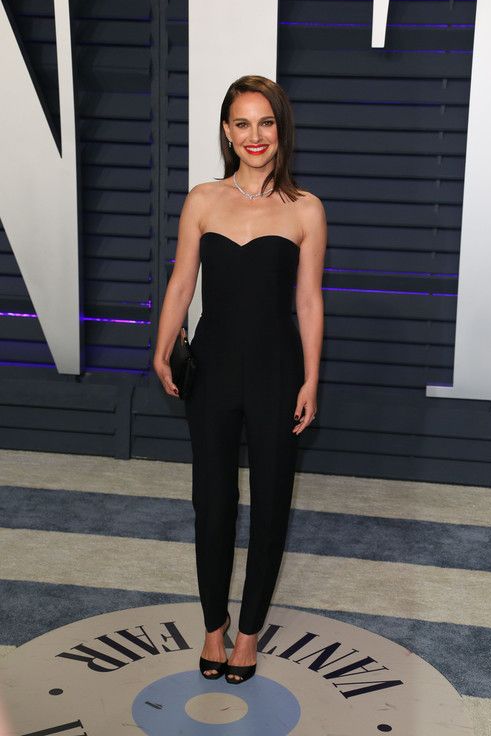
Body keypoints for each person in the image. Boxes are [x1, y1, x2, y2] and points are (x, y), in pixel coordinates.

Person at [153, 74, 326, 683]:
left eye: (266, 122)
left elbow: (308, 300)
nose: (256, 136)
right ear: (227, 132)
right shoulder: (202, 200)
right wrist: (161, 348)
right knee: (212, 502)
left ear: (281, 130)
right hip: (214, 369)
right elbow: (182, 282)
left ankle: (249, 632)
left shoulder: (306, 209)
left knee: (273, 500)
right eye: (243, 123)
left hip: (278, 371)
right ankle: (213, 626)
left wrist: (311, 378)